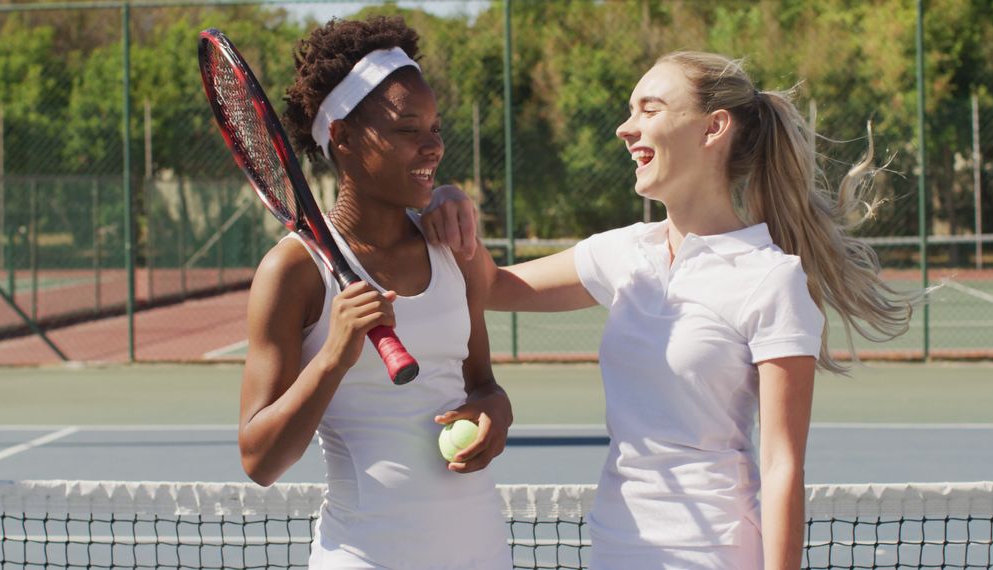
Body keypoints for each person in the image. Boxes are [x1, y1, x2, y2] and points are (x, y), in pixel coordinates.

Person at [422, 51, 915, 569]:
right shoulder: (625, 252)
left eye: (649, 110)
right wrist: (455, 207)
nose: (624, 128)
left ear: (713, 128)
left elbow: (781, 464)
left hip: (712, 554)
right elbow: (496, 286)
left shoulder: (771, 279)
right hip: (617, 544)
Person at [238, 16, 513, 570]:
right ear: (341, 136)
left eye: (435, 128)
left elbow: (484, 386)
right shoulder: (292, 271)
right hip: (365, 557)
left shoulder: (450, 245)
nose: (431, 147)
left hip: (482, 552)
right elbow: (260, 459)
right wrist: (334, 357)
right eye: (407, 129)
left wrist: (494, 418)